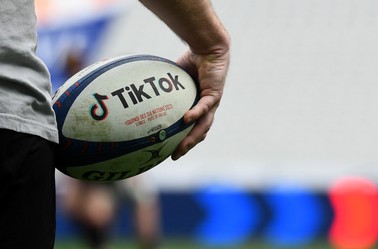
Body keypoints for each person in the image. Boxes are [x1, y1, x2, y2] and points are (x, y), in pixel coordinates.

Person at [0, 0, 230, 248]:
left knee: (130, 201)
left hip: (20, 121)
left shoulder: (81, 83)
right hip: (10, 118)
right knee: (96, 204)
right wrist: (211, 46)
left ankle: (143, 242)